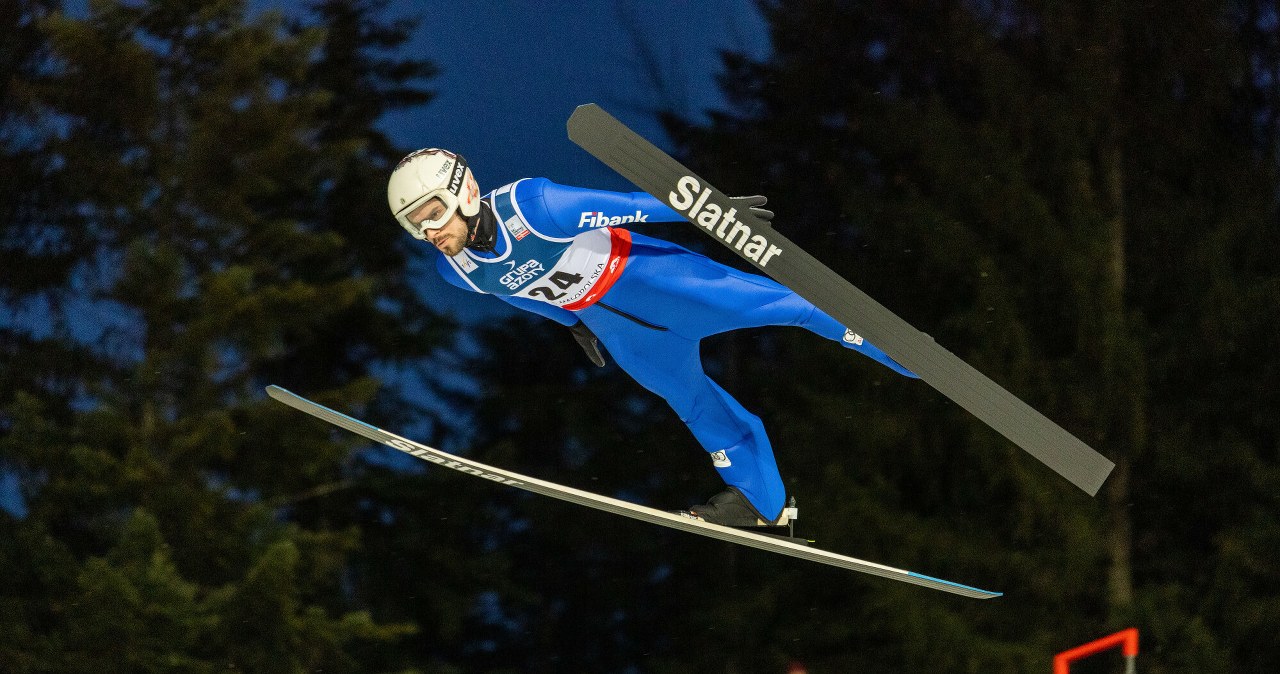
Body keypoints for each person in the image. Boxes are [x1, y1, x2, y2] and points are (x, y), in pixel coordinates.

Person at [386, 148, 917, 529]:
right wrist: (572, 325)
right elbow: (513, 292)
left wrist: (715, 213)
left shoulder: (536, 206)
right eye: (415, 225)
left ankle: (897, 351)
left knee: (789, 305)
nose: (429, 232)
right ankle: (764, 502)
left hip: (655, 282)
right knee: (690, 400)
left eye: (432, 213)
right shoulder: (457, 271)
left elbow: (631, 205)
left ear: (467, 193)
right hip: (620, 330)